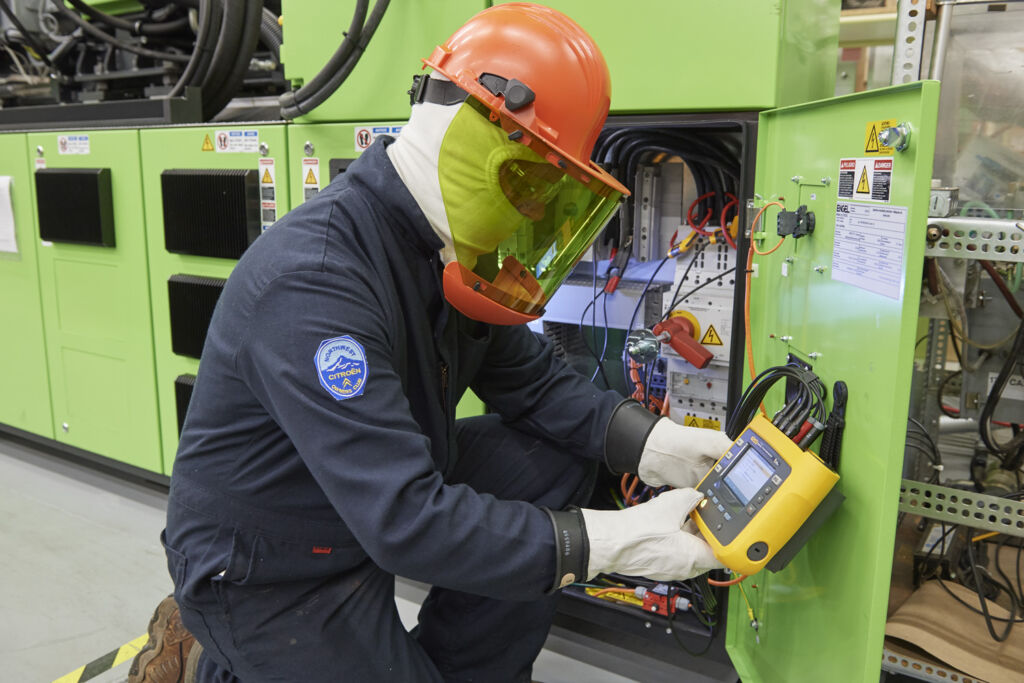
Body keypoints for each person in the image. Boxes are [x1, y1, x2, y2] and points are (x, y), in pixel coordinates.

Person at [148, 4, 731, 681]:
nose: (535, 212)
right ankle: (210, 657)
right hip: (266, 565)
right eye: (534, 184)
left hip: (364, 503)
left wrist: (659, 445)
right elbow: (405, 519)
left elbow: (535, 385)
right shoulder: (316, 281)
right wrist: (608, 542)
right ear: (483, 139)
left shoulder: (447, 246)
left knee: (552, 456)